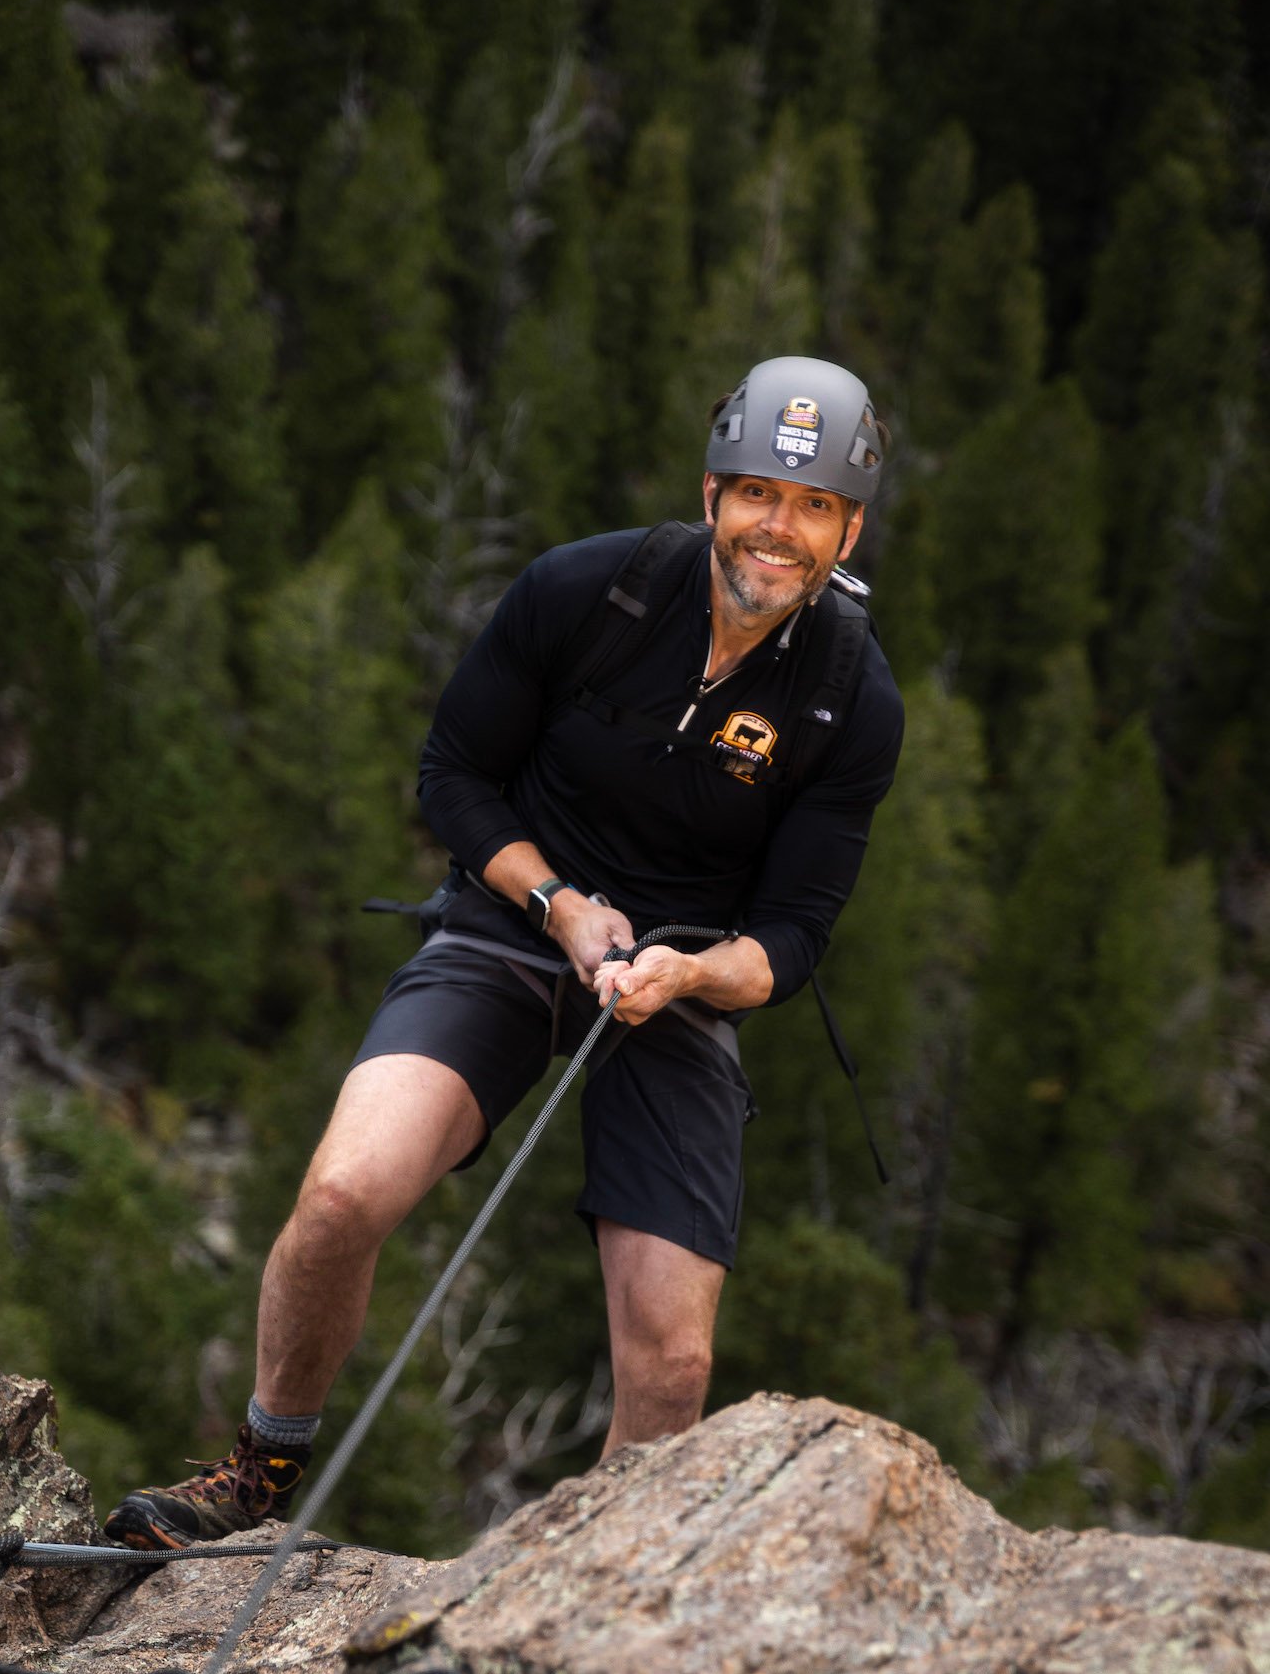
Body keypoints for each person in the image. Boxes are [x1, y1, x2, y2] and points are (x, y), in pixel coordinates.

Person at [103, 355, 905, 1551]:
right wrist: (560, 907)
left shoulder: (848, 695)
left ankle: (590, 1575)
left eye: (810, 508)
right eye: (754, 495)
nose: (774, 531)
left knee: (673, 1363)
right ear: (709, 495)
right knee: (338, 1197)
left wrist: (685, 975)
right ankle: (257, 1471)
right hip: (516, 926)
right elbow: (455, 777)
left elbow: (789, 938)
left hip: (675, 984)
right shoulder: (589, 592)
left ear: (846, 527)